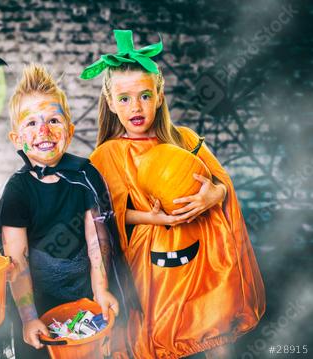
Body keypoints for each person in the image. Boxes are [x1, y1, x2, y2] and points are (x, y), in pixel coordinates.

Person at [83, 30, 266, 358]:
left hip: (202, 263)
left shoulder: (185, 139)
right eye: (124, 99)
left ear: (160, 95)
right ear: (110, 102)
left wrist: (214, 194)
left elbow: (222, 182)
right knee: (155, 344)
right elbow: (102, 216)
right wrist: (152, 217)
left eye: (144, 95)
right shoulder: (107, 155)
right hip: (152, 274)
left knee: (214, 336)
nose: (135, 107)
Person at [0, 64, 129, 358]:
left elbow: (97, 243)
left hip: (84, 298)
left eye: (53, 120)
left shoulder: (85, 176)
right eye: (31, 123)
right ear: (16, 139)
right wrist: (28, 317)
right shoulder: (17, 190)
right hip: (38, 303)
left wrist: (100, 290)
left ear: (70, 131)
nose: (44, 131)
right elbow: (18, 261)